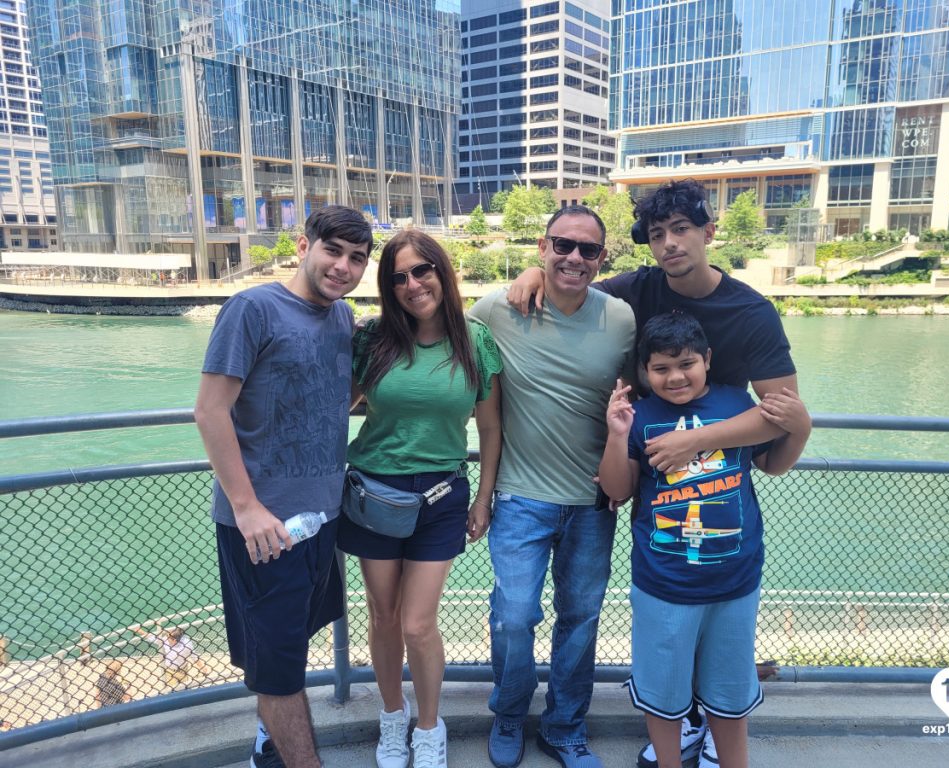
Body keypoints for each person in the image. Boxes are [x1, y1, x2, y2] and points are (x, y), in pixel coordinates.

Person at [508, 179, 799, 767]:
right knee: (665, 636)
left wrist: (695, 441)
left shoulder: (750, 312)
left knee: (720, 640)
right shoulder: (637, 289)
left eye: (682, 230)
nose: (669, 244)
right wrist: (534, 275)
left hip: (715, 468)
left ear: (709, 232)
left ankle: (709, 724)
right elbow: (574, 276)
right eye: (659, 234)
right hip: (644, 477)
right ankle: (682, 722)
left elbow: (781, 418)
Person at [195, 205, 372, 768]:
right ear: (304, 245)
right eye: (333, 251)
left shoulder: (343, 318)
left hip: (321, 517)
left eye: (357, 258)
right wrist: (246, 508)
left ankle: (267, 744)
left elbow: (327, 401)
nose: (343, 267)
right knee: (278, 669)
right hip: (264, 527)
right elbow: (210, 411)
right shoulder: (252, 309)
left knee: (286, 645)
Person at [599, 312, 809, 768]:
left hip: (735, 581)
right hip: (663, 584)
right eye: (660, 368)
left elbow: (774, 464)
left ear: (708, 360)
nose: (675, 377)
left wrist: (802, 428)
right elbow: (617, 490)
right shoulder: (640, 416)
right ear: (644, 370)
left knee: (730, 695)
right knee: (662, 694)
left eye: (686, 364)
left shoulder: (738, 403)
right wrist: (616, 436)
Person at [468, 206, 635, 768]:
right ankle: (510, 713)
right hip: (519, 496)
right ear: (542, 246)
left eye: (588, 250)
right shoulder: (497, 308)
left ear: (602, 258)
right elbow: (439, 340)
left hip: (594, 499)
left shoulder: (621, 318)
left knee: (580, 617)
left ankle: (564, 726)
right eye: (563, 245)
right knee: (514, 614)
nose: (574, 258)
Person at [336, 229, 503, 768]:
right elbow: (336, 405)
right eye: (399, 276)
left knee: (417, 623)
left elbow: (492, 426)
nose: (412, 284)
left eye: (422, 271)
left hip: (441, 495)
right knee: (383, 617)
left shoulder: (474, 340)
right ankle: (392, 717)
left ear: (442, 272)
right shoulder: (373, 339)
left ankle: (429, 726)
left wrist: (484, 497)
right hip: (373, 491)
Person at [131, 625, 209, 689]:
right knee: (172, 689)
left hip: (183, 670)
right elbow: (151, 637)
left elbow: (194, 656)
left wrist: (202, 667)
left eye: (169, 637)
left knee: (184, 689)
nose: (166, 638)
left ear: (174, 640)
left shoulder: (187, 643)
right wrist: (139, 630)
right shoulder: (165, 640)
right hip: (170, 671)